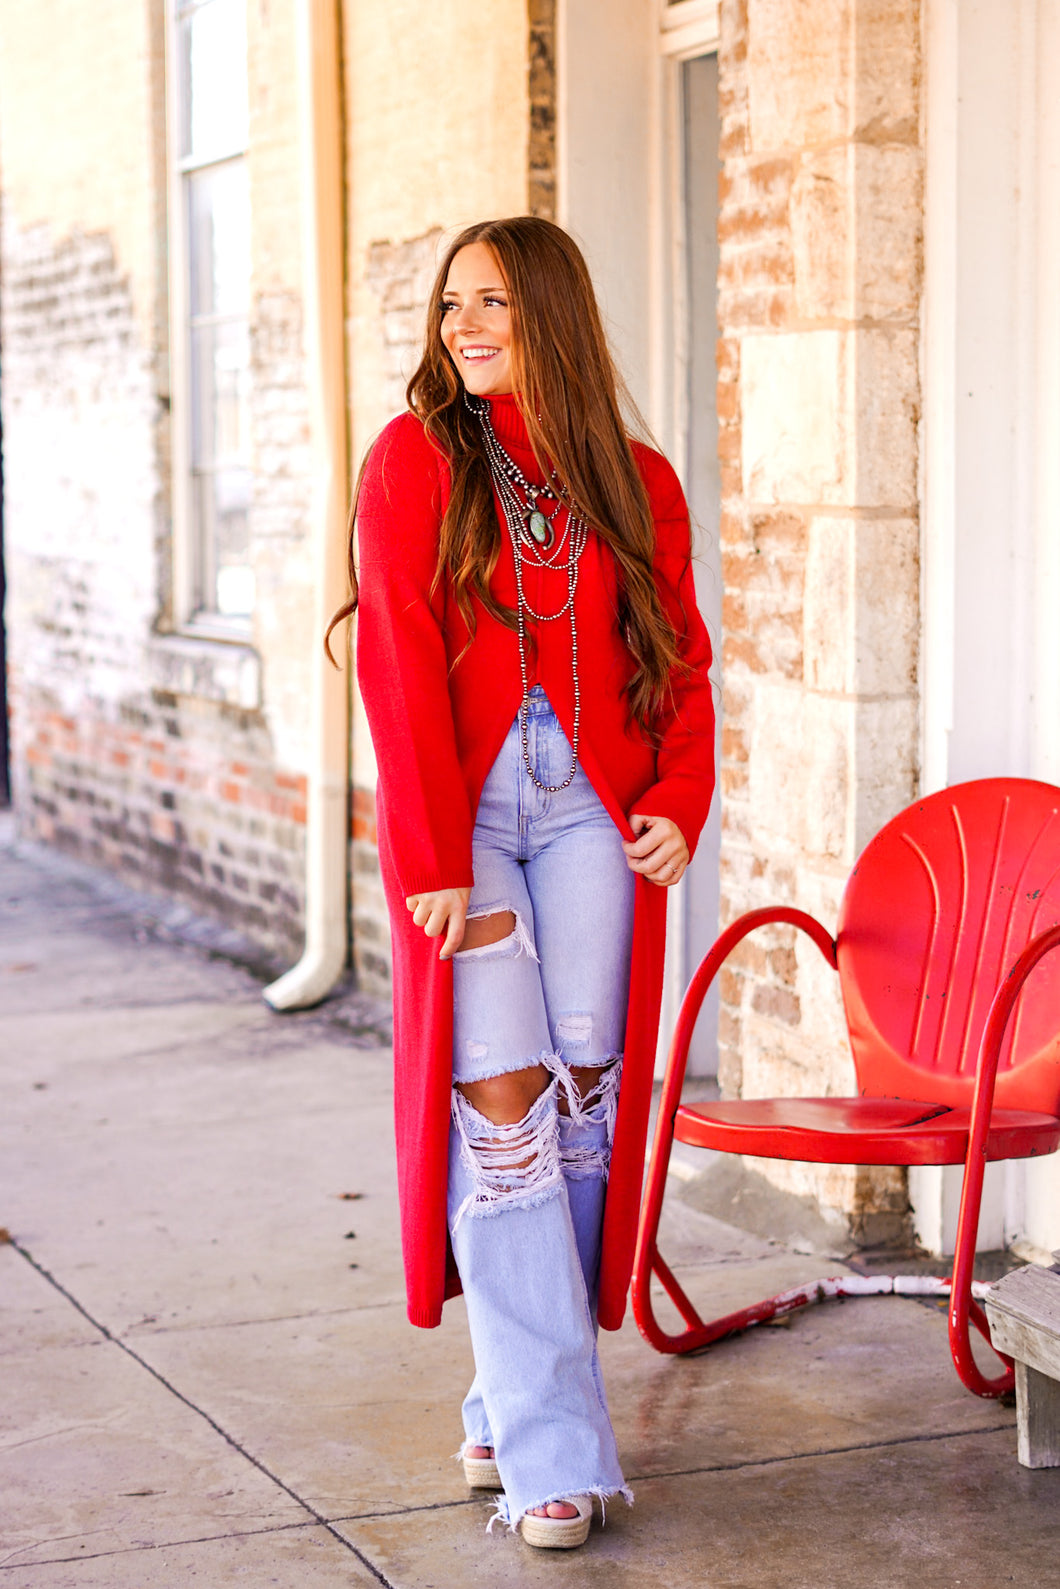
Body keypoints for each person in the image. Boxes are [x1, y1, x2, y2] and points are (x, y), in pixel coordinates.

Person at [334, 216, 714, 1550]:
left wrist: (675, 800)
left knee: (584, 1090)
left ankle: (509, 1387)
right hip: (476, 816)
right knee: (503, 1113)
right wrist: (432, 857)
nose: (465, 324)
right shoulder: (415, 460)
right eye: (451, 304)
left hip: (594, 813)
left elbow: (676, 652)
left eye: (492, 300)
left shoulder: (636, 480)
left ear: (549, 310)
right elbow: (394, 661)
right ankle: (556, 1451)